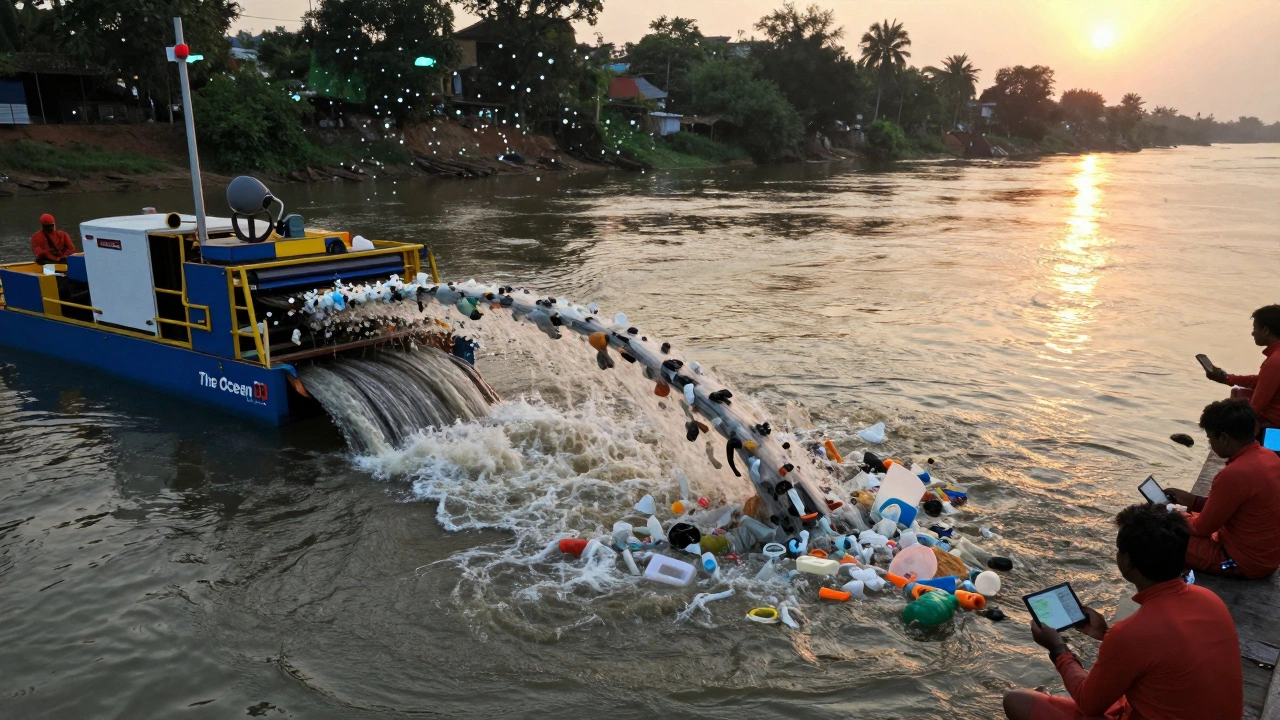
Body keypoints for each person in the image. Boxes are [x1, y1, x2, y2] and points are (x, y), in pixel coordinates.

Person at [1003, 504, 1242, 720]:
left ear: (1126, 561)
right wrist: (1106, 634)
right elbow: (1163, 657)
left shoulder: (1132, 633)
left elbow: (1090, 706)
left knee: (1017, 700)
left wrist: (1057, 649)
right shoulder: (1209, 599)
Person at [1164, 399, 1280, 578]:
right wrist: (1193, 501)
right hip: (1268, 559)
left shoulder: (1234, 474)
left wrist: (1172, 512)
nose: (1210, 443)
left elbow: (1202, 529)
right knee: (1181, 522)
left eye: (1210, 438)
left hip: (1239, 564)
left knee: (1159, 537)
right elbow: (1234, 508)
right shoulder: (1270, 457)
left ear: (1224, 438)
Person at [1203, 304, 1280, 429]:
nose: (1252, 333)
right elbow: (1262, 381)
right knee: (1238, 394)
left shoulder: (1275, 361)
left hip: (1274, 428)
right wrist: (1228, 378)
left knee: (1221, 414)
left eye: (1255, 328)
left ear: (1266, 331)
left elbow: (1256, 407)